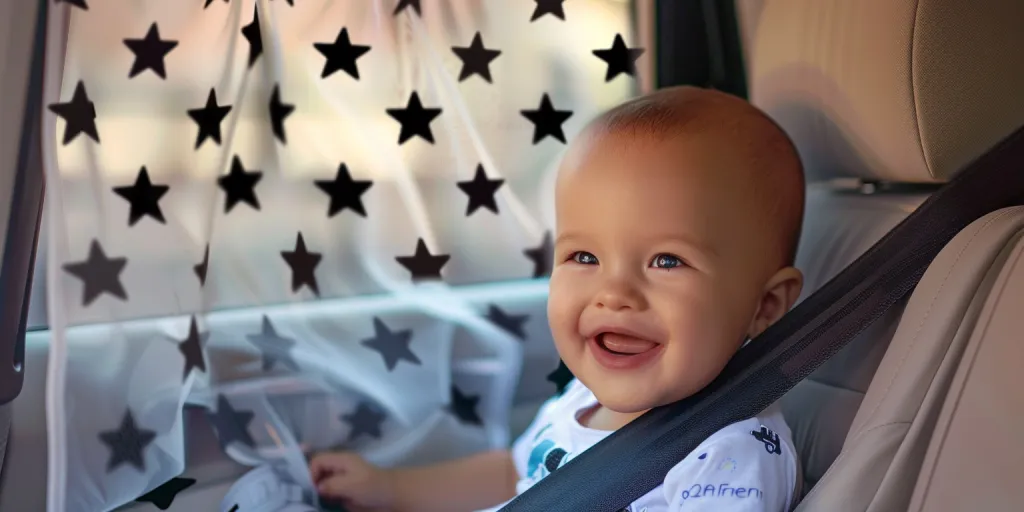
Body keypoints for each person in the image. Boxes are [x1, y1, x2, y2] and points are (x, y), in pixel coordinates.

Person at [308, 85, 806, 512]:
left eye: (667, 261)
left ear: (765, 307)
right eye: (584, 257)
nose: (613, 293)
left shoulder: (732, 455)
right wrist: (390, 487)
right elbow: (515, 476)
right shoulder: (580, 400)